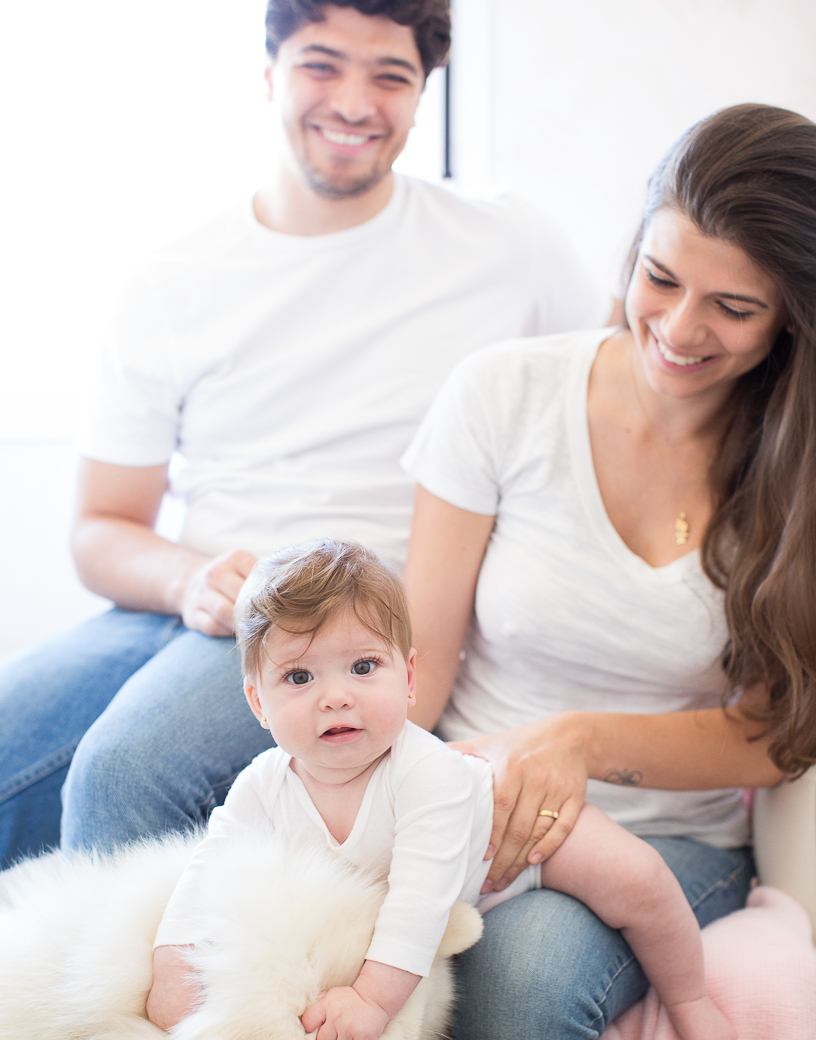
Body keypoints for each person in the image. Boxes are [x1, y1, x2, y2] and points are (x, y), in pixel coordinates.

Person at [0, 0, 609, 869]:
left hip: (344, 622)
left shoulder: (507, 246)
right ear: (270, 74)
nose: (356, 101)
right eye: (323, 64)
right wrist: (188, 581)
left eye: (390, 75)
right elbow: (100, 529)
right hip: (202, 605)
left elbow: (622, 395)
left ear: (423, 88)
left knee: (123, 773)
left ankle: (137, 1005)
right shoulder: (175, 278)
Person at [399, 103, 816, 1040]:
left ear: (790, 325)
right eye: (660, 277)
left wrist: (581, 744)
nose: (679, 329)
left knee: (530, 977)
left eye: (733, 308)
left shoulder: (796, 470)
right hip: (476, 797)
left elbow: (776, 734)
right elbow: (418, 670)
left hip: (667, 840)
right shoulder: (504, 393)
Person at [146, 538, 750, 1040]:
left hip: (514, 847)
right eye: (299, 679)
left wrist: (371, 1001)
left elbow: (421, 899)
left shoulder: (424, 773)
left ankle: (692, 999)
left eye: (362, 667)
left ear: (408, 679)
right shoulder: (263, 788)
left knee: (636, 878)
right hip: (439, 914)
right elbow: (208, 866)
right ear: (258, 701)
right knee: (424, 1022)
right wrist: (174, 962)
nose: (335, 697)